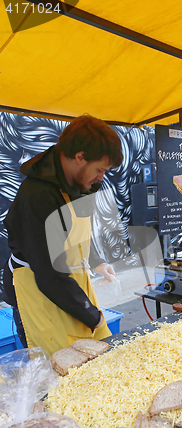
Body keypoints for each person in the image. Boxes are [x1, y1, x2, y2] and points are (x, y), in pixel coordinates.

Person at [3, 114, 123, 355]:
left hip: (67, 281)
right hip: (40, 287)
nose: (101, 178)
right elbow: (49, 276)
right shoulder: (37, 197)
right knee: (60, 364)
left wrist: (97, 262)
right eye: (100, 170)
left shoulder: (80, 183)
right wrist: (93, 317)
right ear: (79, 157)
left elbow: (78, 232)